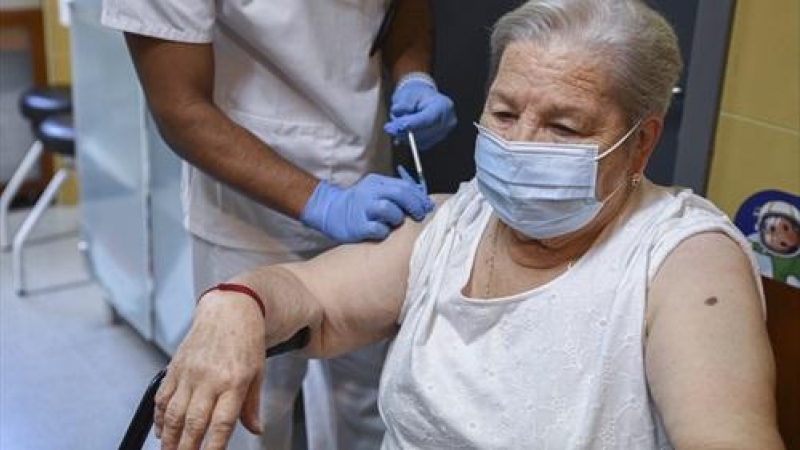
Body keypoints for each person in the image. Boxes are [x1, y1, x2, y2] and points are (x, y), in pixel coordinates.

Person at [150, 0, 786, 449]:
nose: (520, 145)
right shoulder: (462, 218)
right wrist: (236, 301)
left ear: (641, 143)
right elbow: (315, 295)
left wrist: (411, 72)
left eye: (563, 127)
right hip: (249, 194)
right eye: (505, 112)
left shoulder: (682, 258)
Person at [100, 1, 457, 449]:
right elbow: (179, 106)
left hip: (368, 185)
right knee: (251, 415)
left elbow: (404, 6)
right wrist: (323, 202)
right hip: (247, 213)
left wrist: (413, 74)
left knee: (372, 405)